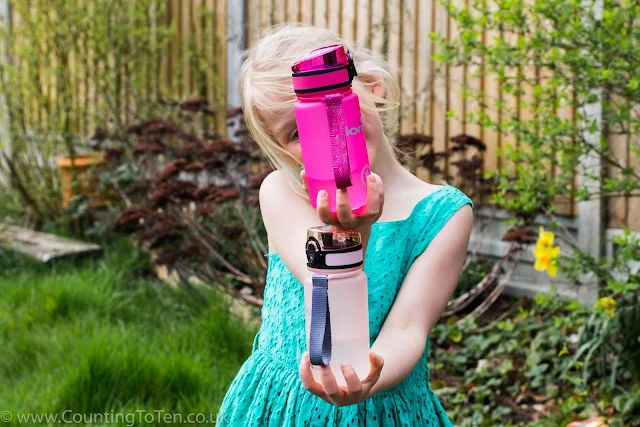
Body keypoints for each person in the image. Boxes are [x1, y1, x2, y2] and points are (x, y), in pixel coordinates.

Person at [216, 23, 474, 426]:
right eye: (297, 132)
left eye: (334, 109)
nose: (328, 138)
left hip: (385, 404)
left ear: (372, 88)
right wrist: (357, 229)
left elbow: (407, 328)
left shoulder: (443, 214)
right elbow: (326, 299)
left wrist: (365, 380)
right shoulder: (283, 194)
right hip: (287, 404)